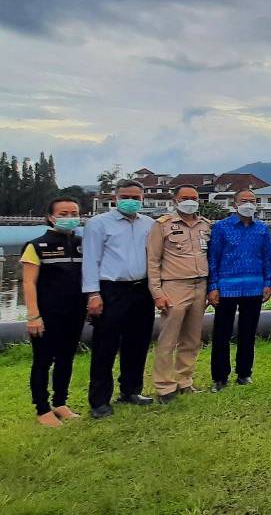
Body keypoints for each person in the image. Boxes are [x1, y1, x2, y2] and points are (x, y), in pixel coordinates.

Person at [83, 179, 156, 419]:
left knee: (138, 342)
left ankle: (131, 390)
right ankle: (99, 400)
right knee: (105, 345)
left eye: (136, 197)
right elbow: (91, 260)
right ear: (115, 198)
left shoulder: (150, 224)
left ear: (143, 199)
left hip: (141, 290)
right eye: (126, 196)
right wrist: (93, 294)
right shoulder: (98, 224)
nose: (131, 201)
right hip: (111, 289)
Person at [20, 197, 86, 427]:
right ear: (50, 217)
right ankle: (42, 409)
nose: (70, 218)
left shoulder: (81, 243)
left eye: (74, 213)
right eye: (64, 213)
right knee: (43, 361)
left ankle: (60, 403)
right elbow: (28, 283)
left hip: (75, 312)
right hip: (47, 315)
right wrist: (33, 315)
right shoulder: (36, 245)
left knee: (66, 359)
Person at [148, 185, 212, 402]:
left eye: (193, 198)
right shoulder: (163, 226)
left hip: (200, 285)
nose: (190, 201)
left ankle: (184, 380)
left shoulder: (205, 225)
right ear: (175, 200)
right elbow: (153, 261)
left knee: (192, 339)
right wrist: (157, 292)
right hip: (174, 286)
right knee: (168, 339)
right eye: (185, 198)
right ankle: (165, 386)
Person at [207, 189, 271, 391]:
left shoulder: (262, 229)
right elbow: (213, 258)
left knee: (248, 333)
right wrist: (213, 286)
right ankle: (220, 377)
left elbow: (267, 258)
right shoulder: (221, 227)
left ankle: (244, 373)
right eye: (244, 200)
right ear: (234, 204)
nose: (248, 204)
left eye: (252, 201)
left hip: (254, 288)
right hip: (226, 289)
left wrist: (267, 282)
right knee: (222, 334)